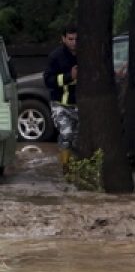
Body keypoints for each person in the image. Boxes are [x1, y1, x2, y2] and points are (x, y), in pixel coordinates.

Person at [43, 25, 78, 170]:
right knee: (66, 133)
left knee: (78, 139)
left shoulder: (87, 54)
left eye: (77, 39)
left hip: (80, 105)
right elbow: (48, 80)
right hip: (60, 104)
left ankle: (78, 166)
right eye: (70, 39)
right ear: (63, 39)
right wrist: (69, 77)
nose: (74, 42)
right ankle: (65, 167)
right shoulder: (56, 56)